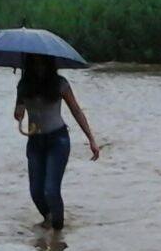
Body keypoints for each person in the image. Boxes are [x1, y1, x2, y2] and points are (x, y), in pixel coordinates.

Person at [15, 54, 99, 231]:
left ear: (49, 64)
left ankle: (58, 235)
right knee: (36, 192)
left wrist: (91, 139)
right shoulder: (23, 85)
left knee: (51, 190)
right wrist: (18, 112)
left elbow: (76, 110)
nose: (39, 68)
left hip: (57, 140)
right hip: (35, 141)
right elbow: (18, 111)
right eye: (35, 64)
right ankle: (50, 220)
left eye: (42, 63)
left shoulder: (60, 84)